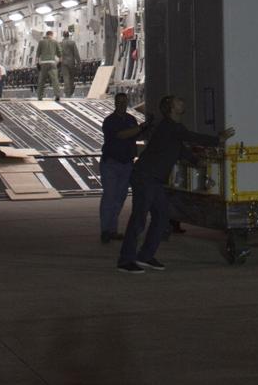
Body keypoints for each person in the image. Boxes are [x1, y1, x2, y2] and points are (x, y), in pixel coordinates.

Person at [117, 94, 234, 273]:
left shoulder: (174, 129)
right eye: (178, 101)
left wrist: (197, 162)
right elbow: (191, 137)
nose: (182, 102)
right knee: (139, 218)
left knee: (162, 218)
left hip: (154, 180)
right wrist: (217, 139)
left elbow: (180, 149)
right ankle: (125, 261)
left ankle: (145, 256)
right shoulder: (170, 127)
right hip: (145, 177)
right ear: (171, 108)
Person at [99, 93, 149, 243]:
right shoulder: (110, 121)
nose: (122, 104)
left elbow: (135, 137)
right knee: (109, 197)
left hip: (126, 163)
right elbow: (121, 135)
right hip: (111, 163)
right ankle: (106, 230)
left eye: (124, 102)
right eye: (119, 102)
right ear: (115, 103)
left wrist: (145, 130)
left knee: (119, 198)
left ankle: (112, 229)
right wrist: (141, 128)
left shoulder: (130, 119)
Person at [35, 30, 61, 101]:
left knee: (41, 80)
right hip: (52, 63)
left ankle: (40, 96)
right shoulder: (55, 42)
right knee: (55, 80)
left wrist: (37, 63)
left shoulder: (41, 42)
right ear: (52, 35)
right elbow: (60, 53)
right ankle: (57, 95)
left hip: (43, 63)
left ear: (46, 35)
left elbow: (37, 54)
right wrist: (60, 63)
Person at [60, 32, 82, 98]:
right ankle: (70, 92)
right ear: (68, 35)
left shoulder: (60, 44)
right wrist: (79, 62)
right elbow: (76, 53)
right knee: (71, 78)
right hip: (71, 62)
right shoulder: (72, 42)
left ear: (63, 35)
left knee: (66, 77)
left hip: (63, 63)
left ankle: (67, 93)